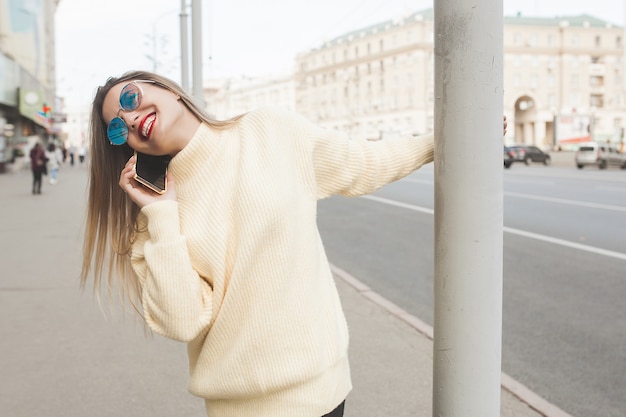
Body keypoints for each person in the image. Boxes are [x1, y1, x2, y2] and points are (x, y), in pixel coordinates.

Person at [80, 70, 505, 417]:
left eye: (130, 100)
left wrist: (449, 139)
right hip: (238, 408)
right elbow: (181, 321)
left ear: (166, 88)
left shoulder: (269, 130)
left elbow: (366, 164)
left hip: (322, 389)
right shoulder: (153, 219)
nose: (131, 120)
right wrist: (161, 213)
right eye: (118, 128)